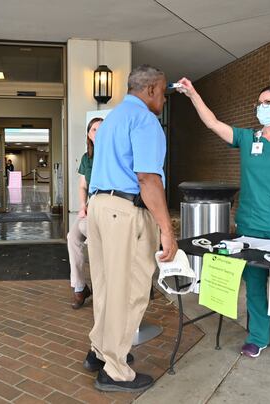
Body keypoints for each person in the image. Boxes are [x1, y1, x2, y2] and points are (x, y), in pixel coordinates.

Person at [176, 78, 270, 367]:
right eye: (259, 102)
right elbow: (213, 123)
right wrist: (192, 94)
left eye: (267, 103)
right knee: (254, 284)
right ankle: (257, 338)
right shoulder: (249, 138)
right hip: (250, 224)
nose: (260, 107)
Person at [85, 65, 178, 392]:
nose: (164, 99)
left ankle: (100, 352)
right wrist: (167, 228)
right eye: (163, 92)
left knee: (107, 285)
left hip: (98, 208)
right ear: (151, 89)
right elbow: (148, 178)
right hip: (124, 212)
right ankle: (114, 371)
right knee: (129, 290)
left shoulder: (111, 120)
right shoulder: (145, 121)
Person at [67, 117, 102, 309]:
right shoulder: (86, 158)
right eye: (94, 129)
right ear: (89, 134)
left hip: (106, 205)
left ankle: (103, 287)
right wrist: (82, 205)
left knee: (89, 235)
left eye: (101, 129)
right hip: (90, 204)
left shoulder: (113, 154)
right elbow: (83, 185)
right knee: (72, 237)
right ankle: (80, 287)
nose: (98, 132)